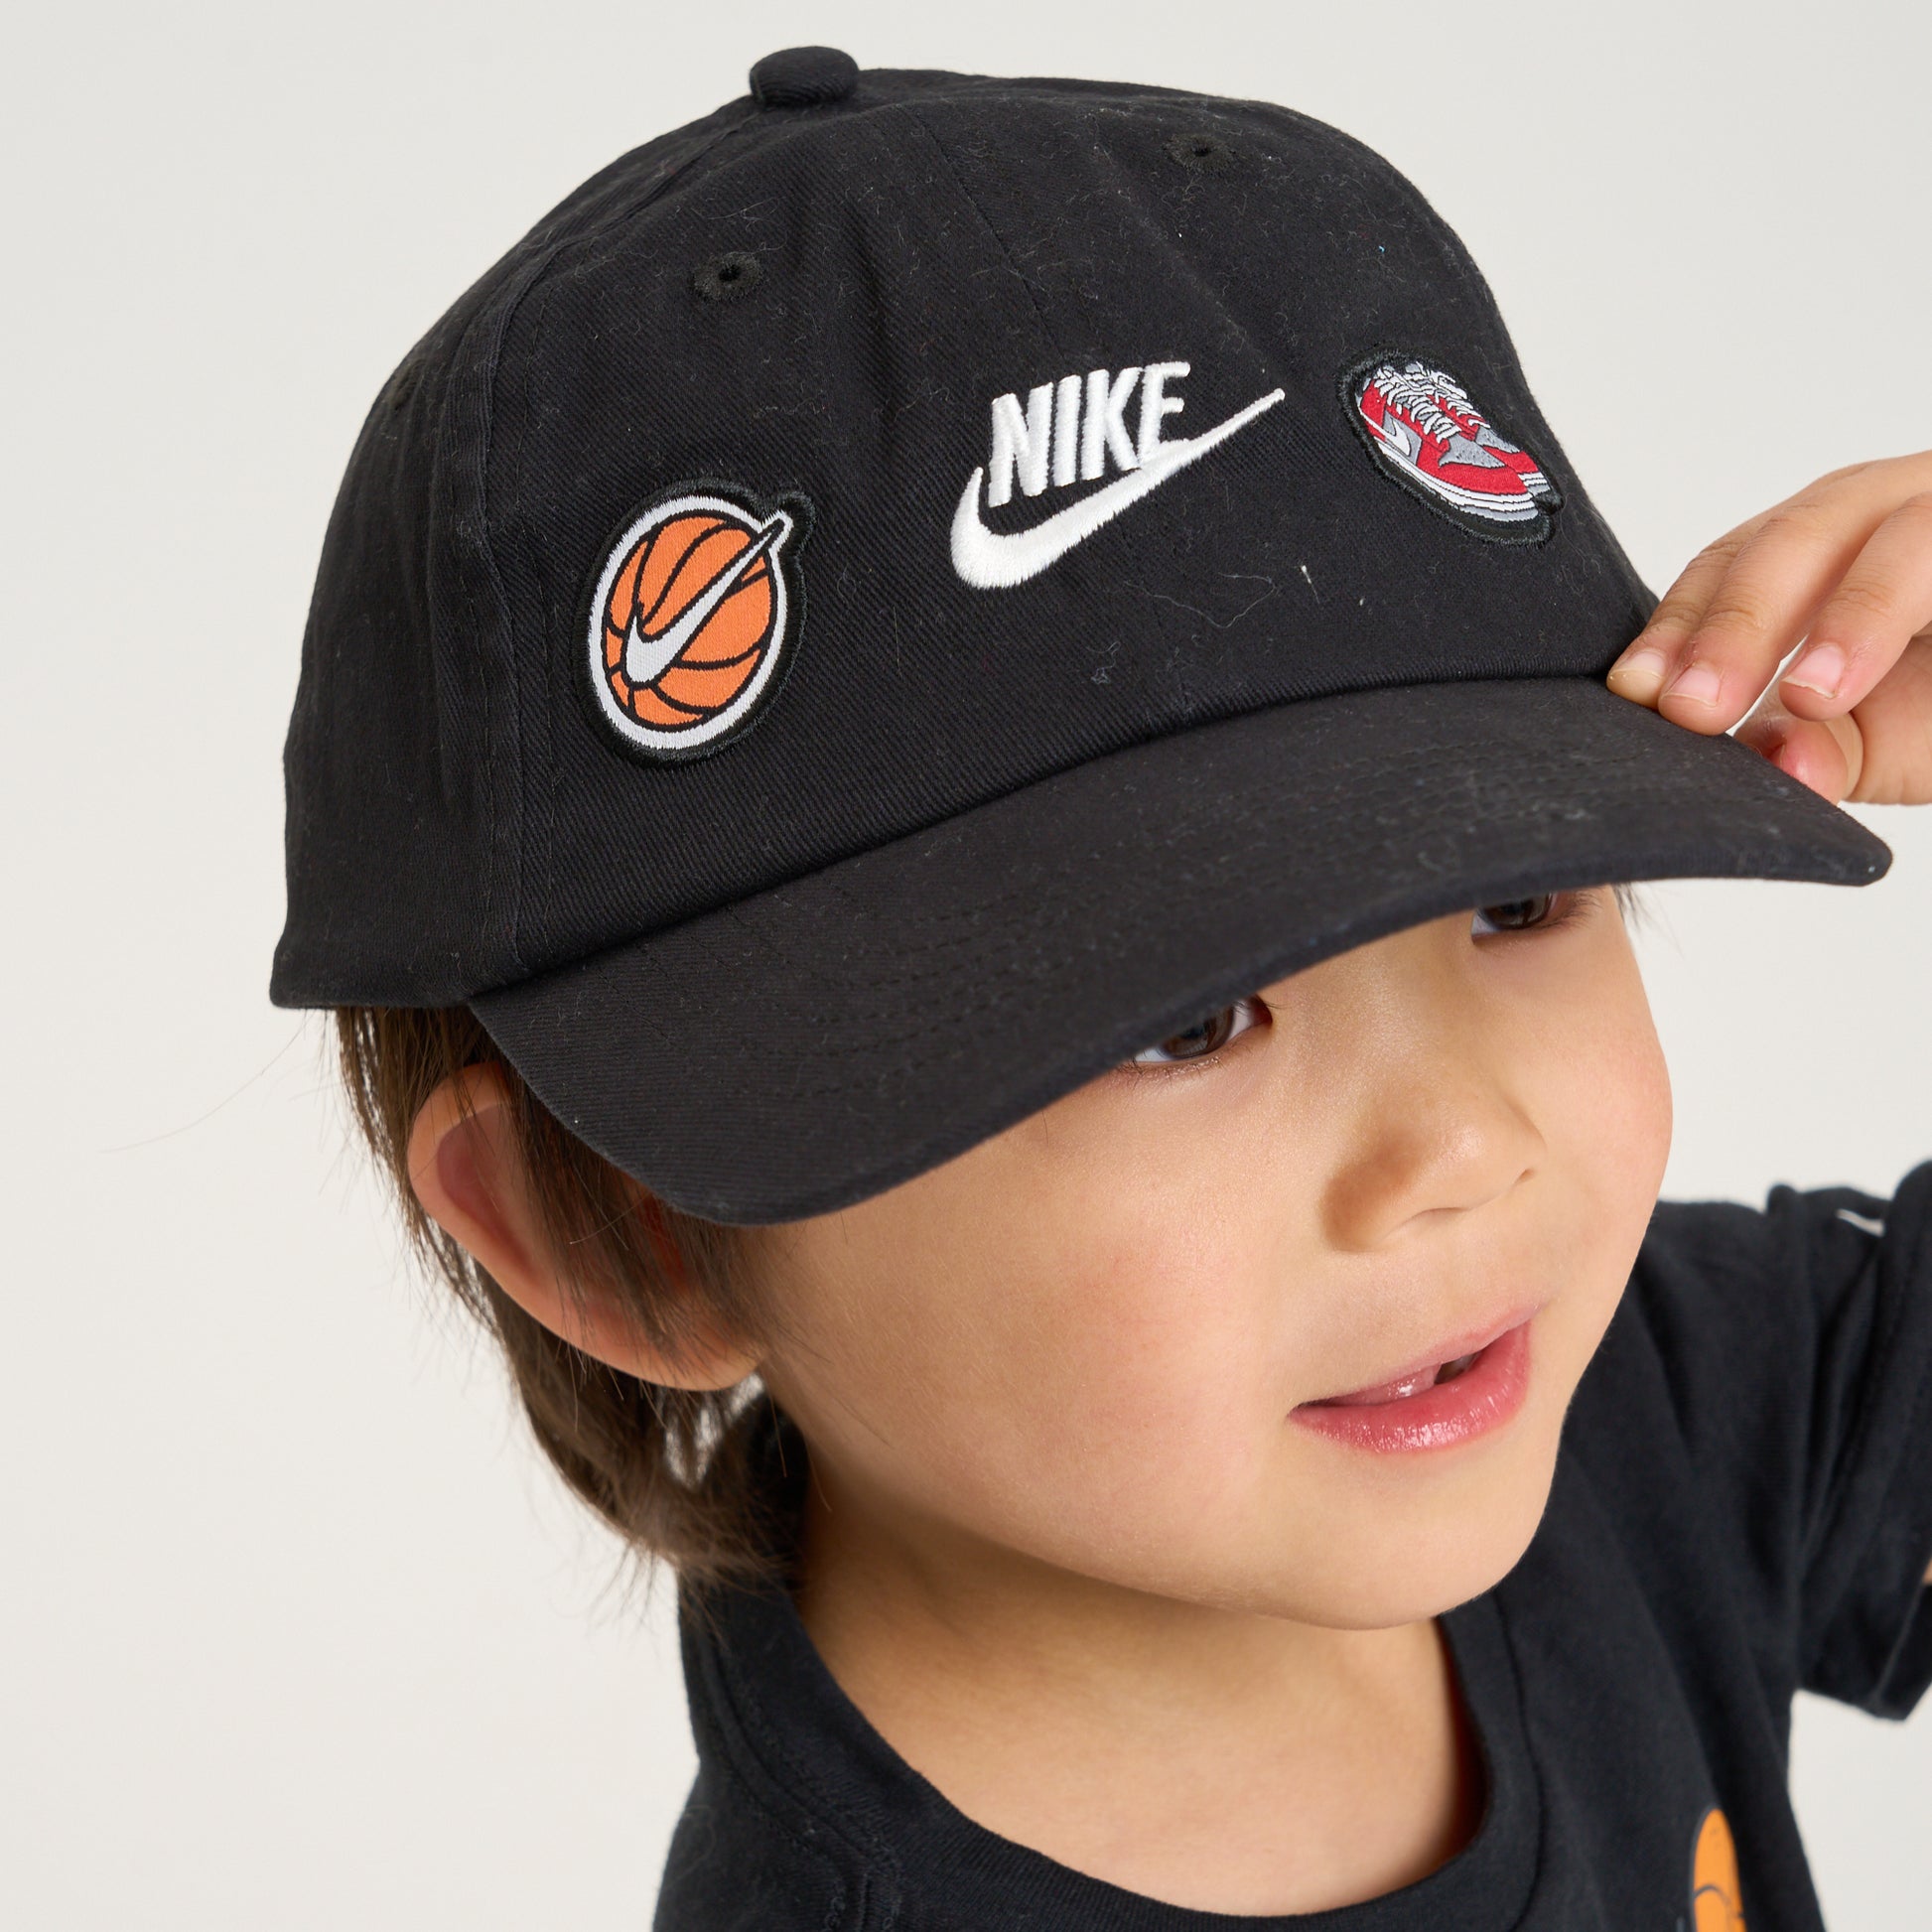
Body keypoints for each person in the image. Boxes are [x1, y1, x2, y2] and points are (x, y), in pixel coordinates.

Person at [272, 46, 1932, 1930]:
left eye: (1516, 896)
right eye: (1184, 1019)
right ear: (635, 1231)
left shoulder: (1630, 1399)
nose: (1462, 1148)